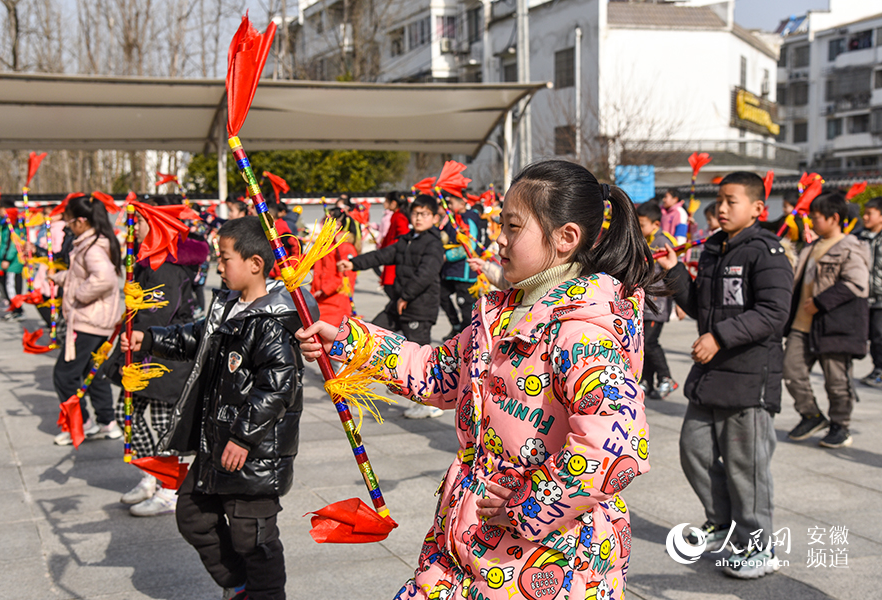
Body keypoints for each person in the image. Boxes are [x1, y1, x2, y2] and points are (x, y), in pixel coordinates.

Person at [298, 160, 653, 600]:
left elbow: (617, 445)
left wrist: (528, 505)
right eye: (499, 224)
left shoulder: (582, 330)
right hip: (467, 542)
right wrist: (349, 342)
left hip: (550, 559)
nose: (498, 240)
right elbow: (437, 370)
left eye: (513, 227)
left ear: (565, 239)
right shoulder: (502, 313)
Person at [121, 216, 314, 600]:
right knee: (193, 515)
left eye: (225, 258)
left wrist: (243, 437)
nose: (218, 266)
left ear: (255, 263)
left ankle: (264, 594)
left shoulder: (273, 319)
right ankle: (238, 586)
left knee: (254, 538)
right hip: (215, 443)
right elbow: (193, 336)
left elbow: (278, 386)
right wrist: (148, 339)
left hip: (255, 452)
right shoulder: (226, 304)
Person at [657, 171, 793, 578]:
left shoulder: (766, 252)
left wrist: (719, 336)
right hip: (712, 375)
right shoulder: (716, 247)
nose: (721, 207)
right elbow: (702, 305)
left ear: (757, 208)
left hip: (748, 378)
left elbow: (773, 313)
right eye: (719, 199)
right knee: (694, 450)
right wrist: (675, 270)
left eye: (731, 201)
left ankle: (759, 546)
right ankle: (722, 522)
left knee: (745, 468)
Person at [103, 204, 210, 516]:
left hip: (165, 357)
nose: (135, 230)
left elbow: (158, 313)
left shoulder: (166, 267)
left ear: (159, 228)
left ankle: (169, 488)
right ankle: (151, 473)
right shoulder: (149, 262)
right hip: (143, 352)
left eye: (141, 224)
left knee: (165, 425)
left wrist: (136, 327)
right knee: (130, 418)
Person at [338, 194, 444, 418]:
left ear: (435, 217)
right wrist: (354, 263)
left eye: (424, 214)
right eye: (415, 213)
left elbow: (426, 274)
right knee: (372, 333)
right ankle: (357, 378)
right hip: (399, 303)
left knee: (420, 359)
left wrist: (405, 296)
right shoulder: (407, 240)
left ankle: (429, 403)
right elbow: (382, 255)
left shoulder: (434, 244)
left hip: (419, 307)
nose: (418, 218)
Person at [783, 193, 869, 449]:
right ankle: (811, 415)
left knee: (837, 381)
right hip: (801, 324)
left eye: (816, 217)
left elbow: (857, 283)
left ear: (834, 218)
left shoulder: (851, 247)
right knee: (790, 370)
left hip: (834, 326)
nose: (811, 222)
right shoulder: (810, 246)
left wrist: (821, 302)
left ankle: (840, 426)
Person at [51, 195, 125, 445]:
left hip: (88, 321)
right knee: (91, 372)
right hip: (95, 320)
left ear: (82, 221)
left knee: (64, 374)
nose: (68, 225)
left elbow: (104, 279)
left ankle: (80, 422)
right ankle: (107, 422)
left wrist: (76, 295)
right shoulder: (91, 242)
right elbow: (82, 276)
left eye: (70, 221)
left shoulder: (92, 247)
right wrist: (61, 278)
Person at [636, 200, 677, 399]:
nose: (639, 228)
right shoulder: (643, 241)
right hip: (642, 305)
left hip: (657, 306)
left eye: (642, 224)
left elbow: (674, 274)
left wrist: (679, 304)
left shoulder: (664, 243)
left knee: (650, 343)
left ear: (656, 224)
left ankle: (666, 378)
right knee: (642, 345)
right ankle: (646, 381)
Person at [440, 193, 484, 340]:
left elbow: (469, 246)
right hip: (451, 270)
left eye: (451, 203)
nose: (449, 206)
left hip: (464, 272)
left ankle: (468, 340)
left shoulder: (468, 219)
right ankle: (456, 326)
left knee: (466, 308)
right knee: (441, 294)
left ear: (462, 204)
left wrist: (448, 255)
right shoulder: (452, 219)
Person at [311, 209, 358, 326]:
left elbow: (345, 276)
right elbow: (312, 261)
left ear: (337, 225)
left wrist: (325, 290)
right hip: (320, 299)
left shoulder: (345, 246)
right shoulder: (326, 244)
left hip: (335, 302)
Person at [858, 196, 882, 387]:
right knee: (873, 336)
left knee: (880, 335)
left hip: (881, 296)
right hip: (866, 296)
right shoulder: (859, 237)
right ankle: (877, 369)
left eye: (869, 213)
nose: (865, 217)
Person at [379, 192, 411, 302]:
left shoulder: (400, 217)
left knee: (391, 288)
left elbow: (403, 235)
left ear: (393, 203)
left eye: (386, 200)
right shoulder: (396, 215)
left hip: (394, 258)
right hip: (390, 255)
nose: (384, 203)